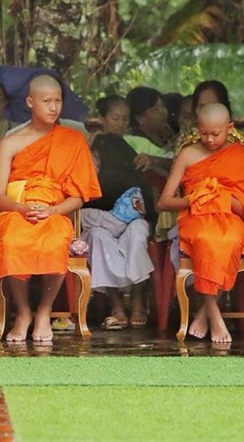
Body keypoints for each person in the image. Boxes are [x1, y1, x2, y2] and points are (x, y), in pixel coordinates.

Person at [0, 75, 101, 343]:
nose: (54, 107)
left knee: (55, 241)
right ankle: (23, 313)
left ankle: (44, 311)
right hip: (17, 212)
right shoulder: (11, 142)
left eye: (58, 101)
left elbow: (79, 196)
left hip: (55, 212)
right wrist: (21, 208)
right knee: (10, 242)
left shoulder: (73, 141)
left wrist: (53, 211)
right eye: (47, 101)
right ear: (30, 102)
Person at [157, 103, 244, 343]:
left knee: (229, 241)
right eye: (204, 133)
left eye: (216, 134)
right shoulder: (188, 154)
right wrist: (195, 198)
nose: (210, 139)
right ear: (197, 128)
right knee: (207, 240)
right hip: (196, 219)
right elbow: (164, 202)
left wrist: (221, 196)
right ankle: (214, 314)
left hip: (232, 222)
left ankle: (205, 312)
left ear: (230, 128)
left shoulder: (241, 156)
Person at [82, 96, 154, 330]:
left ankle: (137, 300)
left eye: (125, 119)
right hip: (101, 218)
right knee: (99, 236)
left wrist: (151, 160)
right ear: (101, 119)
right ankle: (117, 305)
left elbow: (173, 161)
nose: (120, 124)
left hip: (130, 218)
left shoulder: (133, 144)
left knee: (138, 230)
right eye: (115, 118)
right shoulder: (90, 147)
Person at [124, 86, 174, 178]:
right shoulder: (135, 143)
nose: (163, 112)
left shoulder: (168, 136)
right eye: (155, 109)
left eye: (162, 106)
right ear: (139, 118)